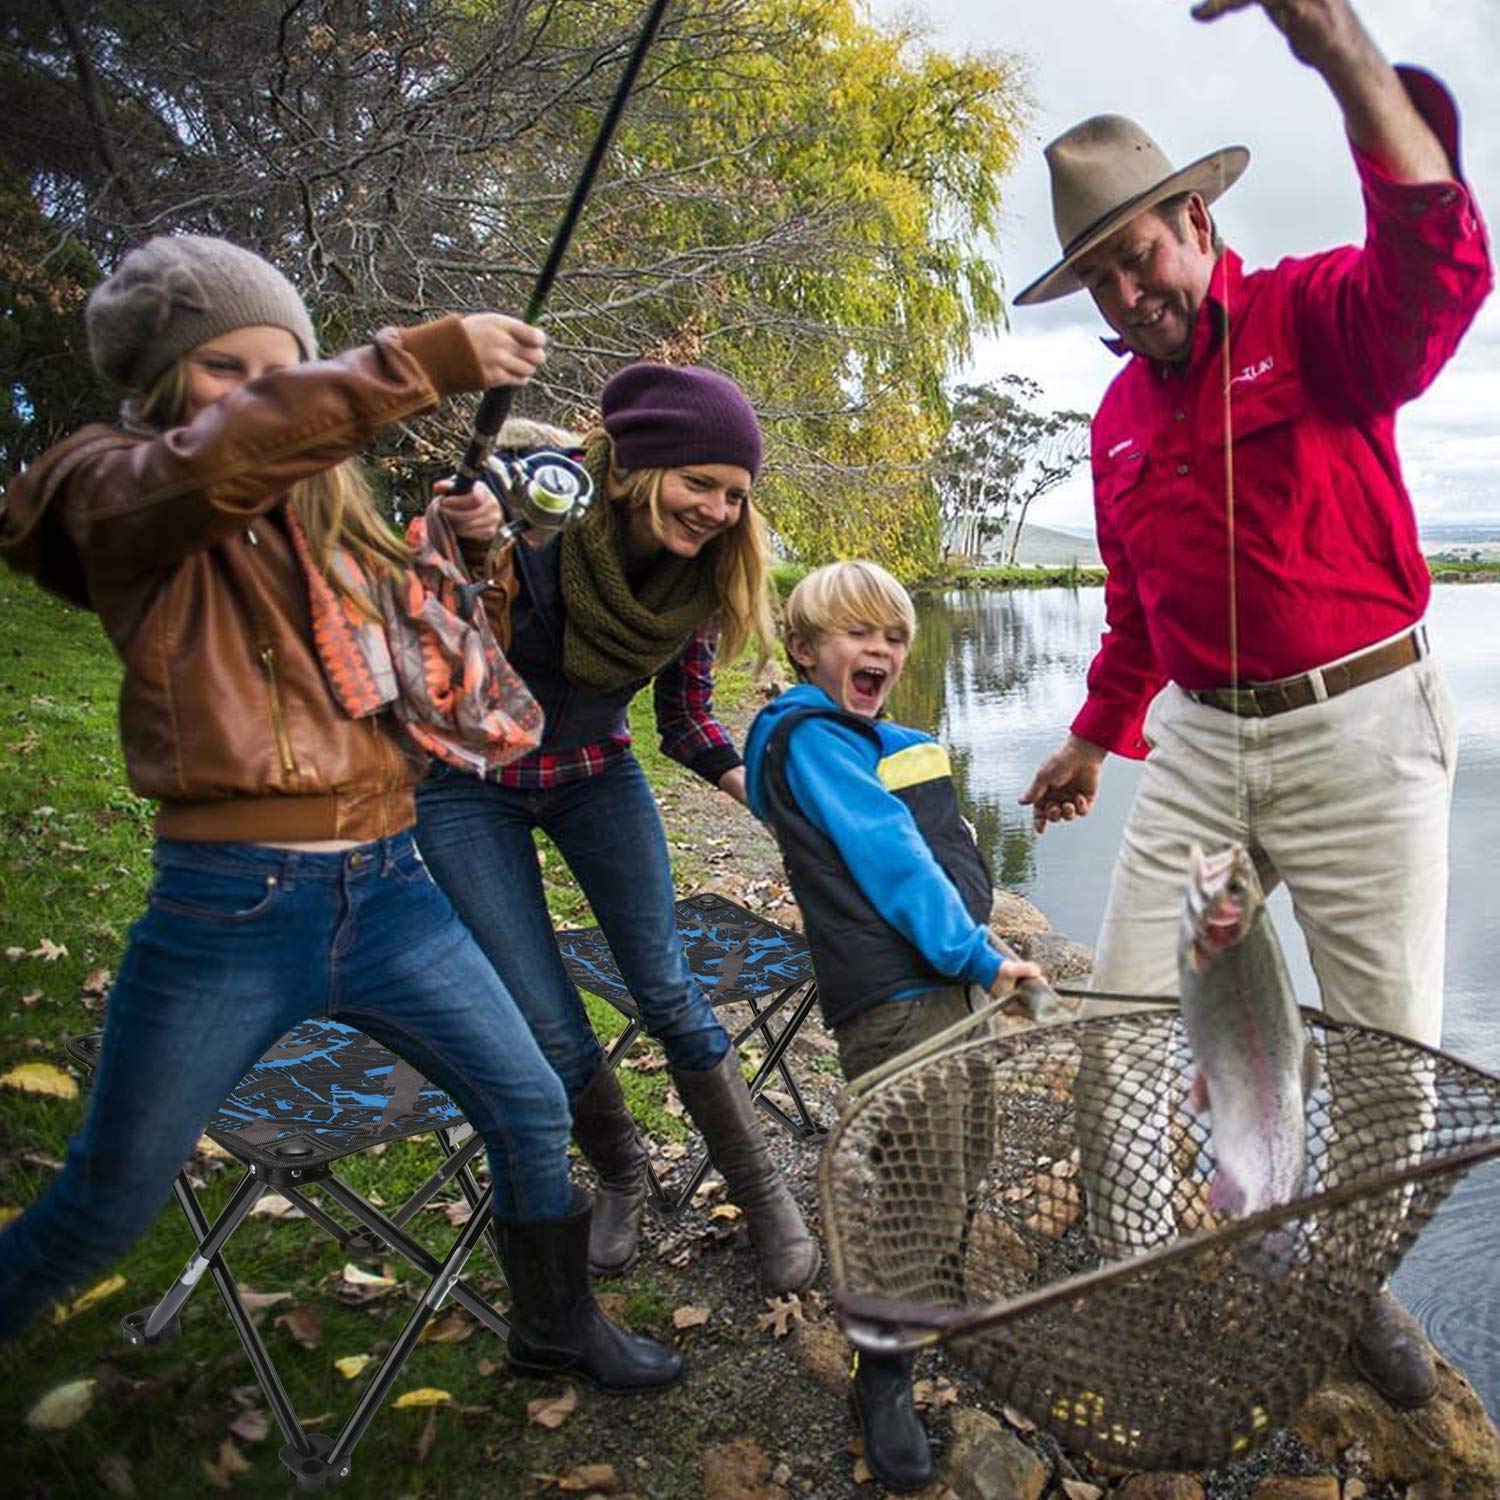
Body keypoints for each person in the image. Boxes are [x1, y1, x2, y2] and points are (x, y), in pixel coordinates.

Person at [0, 235, 681, 1394]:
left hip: (394, 896)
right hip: (231, 912)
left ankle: (558, 1330)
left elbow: (444, 682)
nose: (262, 393)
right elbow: (214, 465)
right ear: (163, 388)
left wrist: (477, 560)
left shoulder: (331, 520)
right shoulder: (105, 487)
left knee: (528, 1105)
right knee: (106, 1202)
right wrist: (418, 361)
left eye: (285, 365)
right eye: (228, 370)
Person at [1013, 0, 1491, 1410]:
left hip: (1365, 726)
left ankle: (1343, 1290)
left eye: (1140, 249)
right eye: (1097, 273)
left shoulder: (1314, 317)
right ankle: (1153, 1272)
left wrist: (1340, 51)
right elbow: (1136, 612)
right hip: (1206, 738)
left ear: (1200, 225)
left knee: (1390, 1055)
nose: (1127, 288)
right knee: (1119, 1016)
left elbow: (1441, 277)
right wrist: (1094, 736)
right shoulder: (1112, 425)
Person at [414, 362, 820, 1296]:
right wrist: (459, 543)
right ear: (640, 466)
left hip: (595, 774)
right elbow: (427, 634)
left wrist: (767, 798)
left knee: (669, 992)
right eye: (699, 484)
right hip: (467, 786)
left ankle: (763, 1196)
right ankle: (623, 1175)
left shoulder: (704, 579)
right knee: (547, 1017)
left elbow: (683, 723)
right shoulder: (534, 516)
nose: (718, 511)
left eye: (735, 494)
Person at [742, 560, 1042, 1492]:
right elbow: (891, 858)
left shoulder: (856, 735)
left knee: (969, 1143)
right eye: (854, 633)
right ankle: (883, 1370)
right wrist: (985, 955)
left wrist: (970, 959)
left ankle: (936, 1299)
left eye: (895, 637)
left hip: (942, 980)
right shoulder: (819, 741)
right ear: (801, 650)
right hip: (897, 996)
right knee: (918, 1174)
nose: (880, 650)